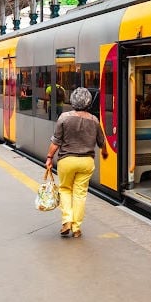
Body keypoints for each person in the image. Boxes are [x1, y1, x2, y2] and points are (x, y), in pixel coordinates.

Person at [45, 87, 108, 238]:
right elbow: (102, 142)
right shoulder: (94, 120)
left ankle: (67, 220)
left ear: (72, 101)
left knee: (66, 189)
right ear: (88, 103)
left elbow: (56, 142)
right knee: (80, 194)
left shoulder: (64, 118)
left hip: (67, 160)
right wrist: (104, 152)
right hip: (86, 162)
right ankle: (77, 228)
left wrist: (49, 158)